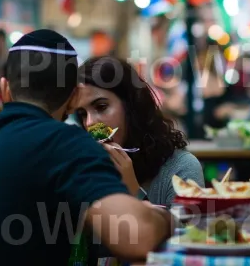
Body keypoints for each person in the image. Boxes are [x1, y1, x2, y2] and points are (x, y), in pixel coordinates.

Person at [0, 30, 173, 266]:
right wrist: (167, 219)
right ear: (74, 98)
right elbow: (137, 237)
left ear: (5, 89)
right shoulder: (69, 144)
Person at [70, 56, 204, 208]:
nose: (90, 123)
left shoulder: (180, 168)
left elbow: (190, 231)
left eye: (101, 107)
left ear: (131, 107)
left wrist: (133, 191)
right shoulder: (87, 169)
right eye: (82, 114)